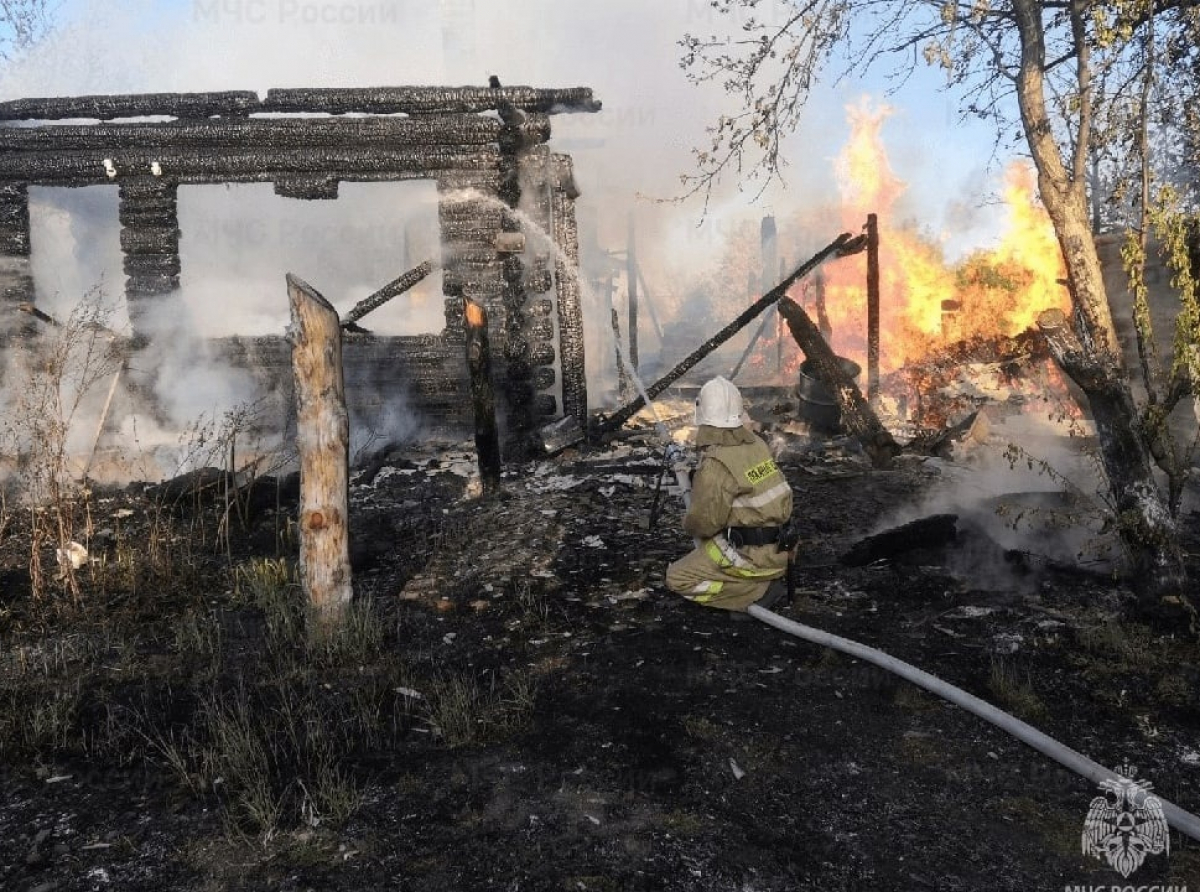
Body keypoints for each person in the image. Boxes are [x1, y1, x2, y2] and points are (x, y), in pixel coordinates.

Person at [666, 376, 794, 612]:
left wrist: (688, 517)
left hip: (754, 559)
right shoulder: (756, 443)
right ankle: (758, 580)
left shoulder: (717, 463)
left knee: (678, 577)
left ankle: (753, 591)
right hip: (784, 549)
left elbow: (702, 525)